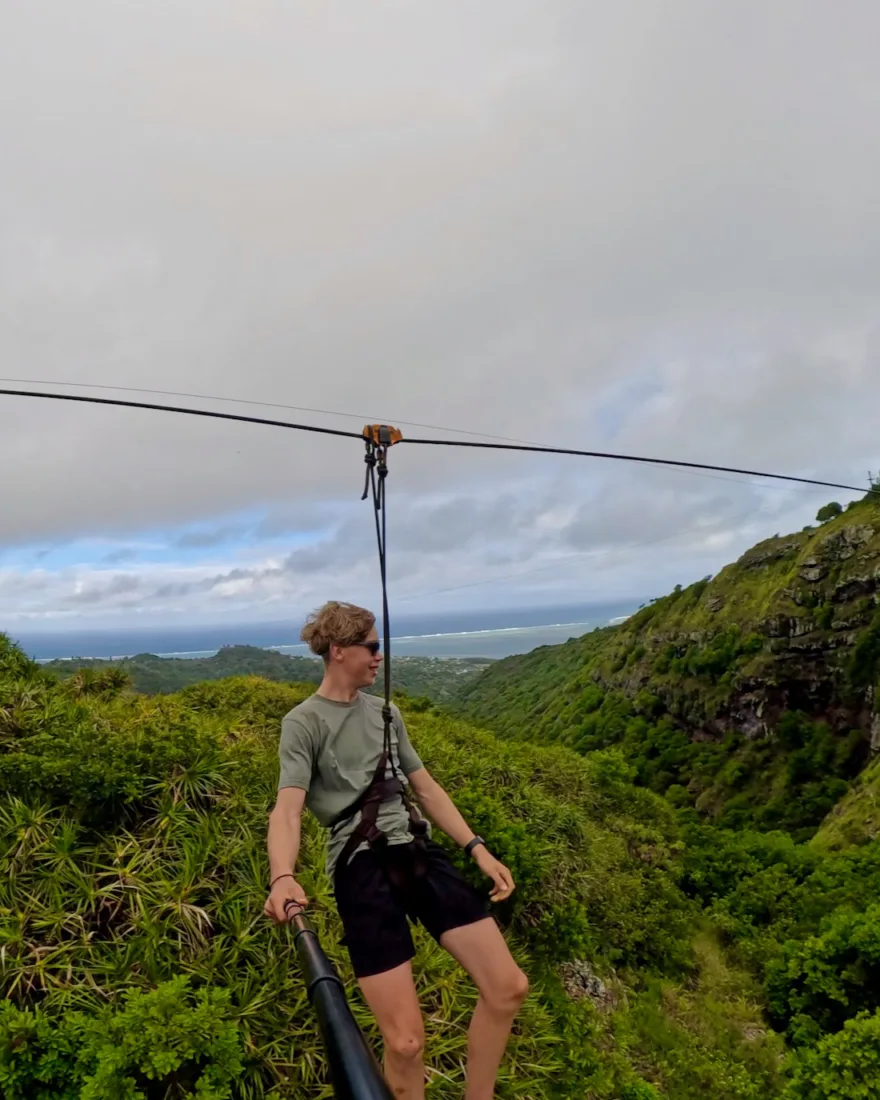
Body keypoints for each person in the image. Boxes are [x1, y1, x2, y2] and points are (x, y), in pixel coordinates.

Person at [264, 600, 529, 1100]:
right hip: (360, 865)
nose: (380, 656)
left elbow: (426, 789)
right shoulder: (303, 723)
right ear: (339, 652)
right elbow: (287, 809)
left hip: (417, 849)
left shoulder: (387, 713)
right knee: (405, 1044)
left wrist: (477, 848)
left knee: (508, 986)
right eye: (372, 646)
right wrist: (283, 874)